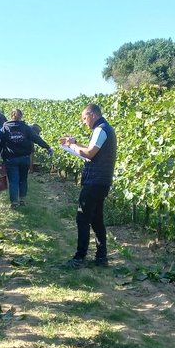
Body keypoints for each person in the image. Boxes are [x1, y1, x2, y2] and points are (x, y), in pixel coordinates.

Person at [60, 102, 117, 267]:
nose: (84, 122)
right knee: (96, 219)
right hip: (102, 181)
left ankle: (79, 257)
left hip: (94, 182)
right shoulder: (105, 129)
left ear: (93, 115)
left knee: (83, 218)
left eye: (85, 118)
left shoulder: (100, 130)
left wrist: (72, 145)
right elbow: (93, 151)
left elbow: (90, 153)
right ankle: (101, 257)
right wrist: (74, 144)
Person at [0, 108, 53, 208]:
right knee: (23, 179)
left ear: (11, 116)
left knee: (13, 181)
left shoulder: (5, 128)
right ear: (21, 116)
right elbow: (36, 138)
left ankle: (14, 202)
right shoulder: (26, 128)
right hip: (24, 158)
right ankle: (22, 200)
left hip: (11, 159)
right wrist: (47, 147)